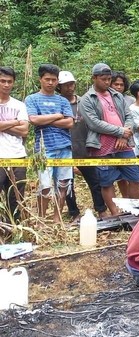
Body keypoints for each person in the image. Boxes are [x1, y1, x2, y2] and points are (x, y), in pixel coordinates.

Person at [79, 63, 139, 215]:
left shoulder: (117, 95)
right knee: (106, 181)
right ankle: (115, 214)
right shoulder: (87, 99)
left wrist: (123, 136)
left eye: (108, 79)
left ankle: (135, 213)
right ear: (94, 78)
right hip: (101, 145)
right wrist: (120, 131)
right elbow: (94, 123)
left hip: (124, 144)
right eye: (103, 79)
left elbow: (129, 117)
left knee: (134, 177)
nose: (107, 82)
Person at [25, 64, 74, 224]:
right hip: (43, 147)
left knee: (63, 184)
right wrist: (58, 115)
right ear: (40, 79)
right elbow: (33, 119)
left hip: (64, 146)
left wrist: (46, 119)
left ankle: (57, 217)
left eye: (54, 80)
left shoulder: (62, 100)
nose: (51, 83)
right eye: (47, 79)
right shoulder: (32, 99)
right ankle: (41, 219)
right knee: (45, 186)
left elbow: (69, 123)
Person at [58, 70, 108, 220]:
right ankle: (74, 213)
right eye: (65, 85)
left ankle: (101, 210)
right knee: (68, 185)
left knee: (95, 181)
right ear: (59, 87)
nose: (69, 87)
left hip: (86, 148)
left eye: (71, 84)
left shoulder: (84, 102)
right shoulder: (58, 103)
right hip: (66, 149)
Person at [0, 66, 29, 222]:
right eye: (2, 81)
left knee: (16, 198)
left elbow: (24, 130)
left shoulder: (19, 105)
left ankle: (15, 230)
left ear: (13, 83)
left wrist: (3, 125)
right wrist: (14, 122)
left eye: (9, 81)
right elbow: (20, 126)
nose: (6, 85)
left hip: (17, 156)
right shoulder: (18, 111)